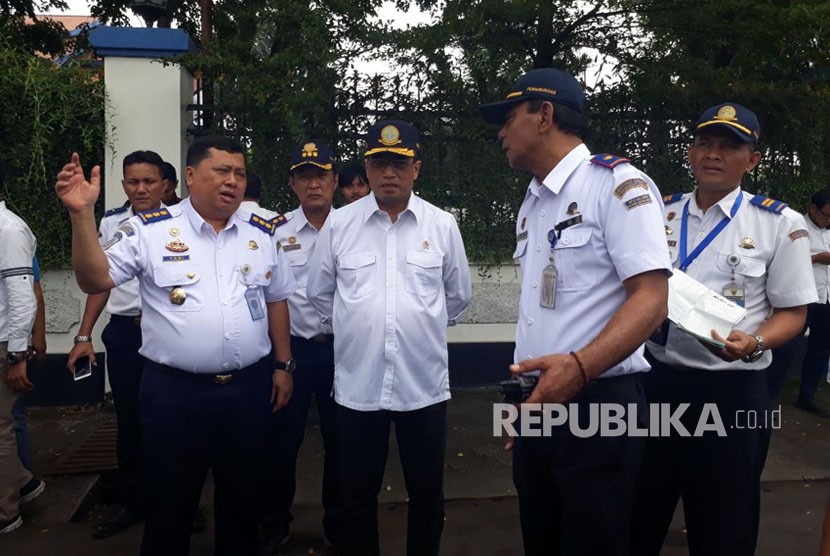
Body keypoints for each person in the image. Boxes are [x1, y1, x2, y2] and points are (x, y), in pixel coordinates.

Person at [55, 135, 297, 556]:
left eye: (239, 173)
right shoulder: (151, 230)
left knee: (243, 503)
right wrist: (81, 216)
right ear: (189, 176)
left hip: (246, 391)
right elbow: (95, 280)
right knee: (170, 506)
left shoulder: (261, 232)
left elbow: (275, 298)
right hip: (176, 396)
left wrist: (283, 364)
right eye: (221, 171)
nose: (232, 181)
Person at [478, 67, 671, 555]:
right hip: (538, 400)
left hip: (600, 401)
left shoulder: (616, 186)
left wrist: (580, 366)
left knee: (594, 542)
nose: (501, 132)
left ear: (544, 115)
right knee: (540, 537)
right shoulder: (533, 200)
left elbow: (651, 298)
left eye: (508, 117)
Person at [630, 103, 816, 556]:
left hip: (733, 392)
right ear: (691, 153)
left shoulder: (778, 224)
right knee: (638, 512)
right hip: (658, 383)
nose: (713, 154)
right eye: (704, 143)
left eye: (729, 146)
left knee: (725, 522)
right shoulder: (659, 214)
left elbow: (794, 314)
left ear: (751, 160)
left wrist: (755, 342)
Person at [307, 120, 472, 556]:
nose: (388, 173)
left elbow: (457, 295)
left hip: (424, 387)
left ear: (416, 168)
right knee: (357, 499)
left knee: (428, 498)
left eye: (399, 164)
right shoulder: (340, 225)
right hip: (358, 389)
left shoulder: (441, 225)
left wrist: (420, 324)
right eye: (379, 163)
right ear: (366, 166)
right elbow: (320, 293)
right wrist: (357, 324)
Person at [65, 150, 167, 539]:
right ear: (123, 184)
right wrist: (83, 335)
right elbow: (100, 284)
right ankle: (134, 502)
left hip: (168, 334)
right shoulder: (110, 223)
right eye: (133, 182)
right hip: (126, 334)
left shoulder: (180, 223)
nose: (141, 189)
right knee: (129, 421)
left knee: (170, 422)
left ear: (164, 184)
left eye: (149, 181)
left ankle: (176, 502)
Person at [260, 140, 341, 553]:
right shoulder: (275, 231)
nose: (314, 184)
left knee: (343, 443)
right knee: (280, 443)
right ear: (292, 183)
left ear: (335, 181)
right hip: (291, 354)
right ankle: (275, 525)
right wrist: (280, 360)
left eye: (321, 175)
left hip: (344, 353)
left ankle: (340, 527)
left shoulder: (355, 228)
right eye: (305, 176)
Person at [0, 196, 44, 535]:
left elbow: (23, 295)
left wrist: (17, 355)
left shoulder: (8, 230)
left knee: (1, 429)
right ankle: (25, 484)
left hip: (3, 343)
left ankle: (5, 511)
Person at [794, 187, 830, 417]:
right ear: (812, 209)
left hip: (827, 299)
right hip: (803, 298)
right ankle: (768, 394)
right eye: (826, 215)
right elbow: (787, 261)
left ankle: (806, 397)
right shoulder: (797, 227)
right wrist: (817, 258)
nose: (829, 221)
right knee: (786, 349)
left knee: (820, 350)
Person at [12, 255, 46, 471]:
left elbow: (34, 293)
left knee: (12, 417)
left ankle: (22, 483)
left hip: (7, 342)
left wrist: (38, 336)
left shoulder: (12, 235)